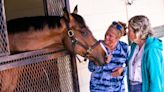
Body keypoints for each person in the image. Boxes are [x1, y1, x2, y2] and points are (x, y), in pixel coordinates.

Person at [88, 21, 128, 92]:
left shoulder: (124, 48)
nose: (106, 37)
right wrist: (102, 62)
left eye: (110, 36)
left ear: (117, 38)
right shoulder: (98, 46)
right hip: (97, 89)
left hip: (117, 89)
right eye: (106, 34)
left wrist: (122, 70)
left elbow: (132, 67)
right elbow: (90, 68)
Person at [127, 15, 164, 92]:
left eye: (129, 30)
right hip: (132, 87)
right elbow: (136, 68)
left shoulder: (152, 49)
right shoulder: (134, 46)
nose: (127, 33)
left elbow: (156, 79)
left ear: (138, 31)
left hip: (143, 88)